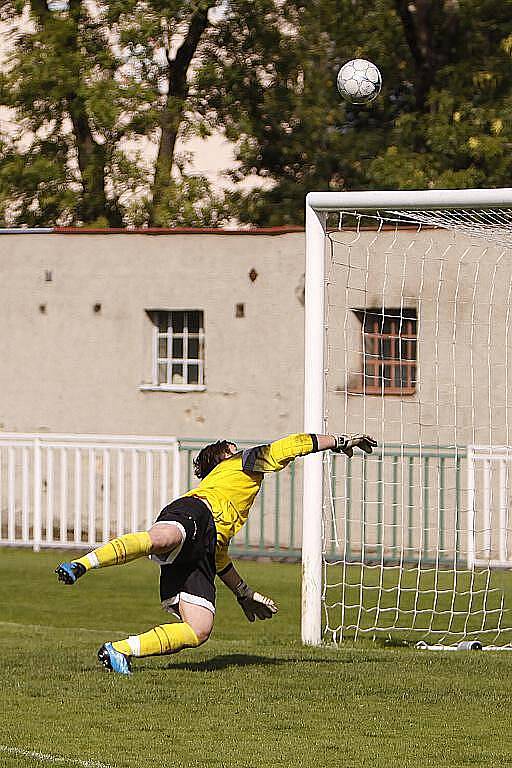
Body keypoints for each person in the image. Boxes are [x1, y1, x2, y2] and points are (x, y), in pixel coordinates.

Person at [55, 432, 376, 674]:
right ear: (224, 459)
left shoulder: (232, 498)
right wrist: (338, 440)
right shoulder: (239, 465)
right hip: (196, 513)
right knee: (162, 538)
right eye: (232, 450)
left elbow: (220, 558)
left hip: (204, 547)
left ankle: (118, 650)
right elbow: (289, 445)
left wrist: (244, 594)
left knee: (199, 630)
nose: (240, 452)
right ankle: (81, 564)